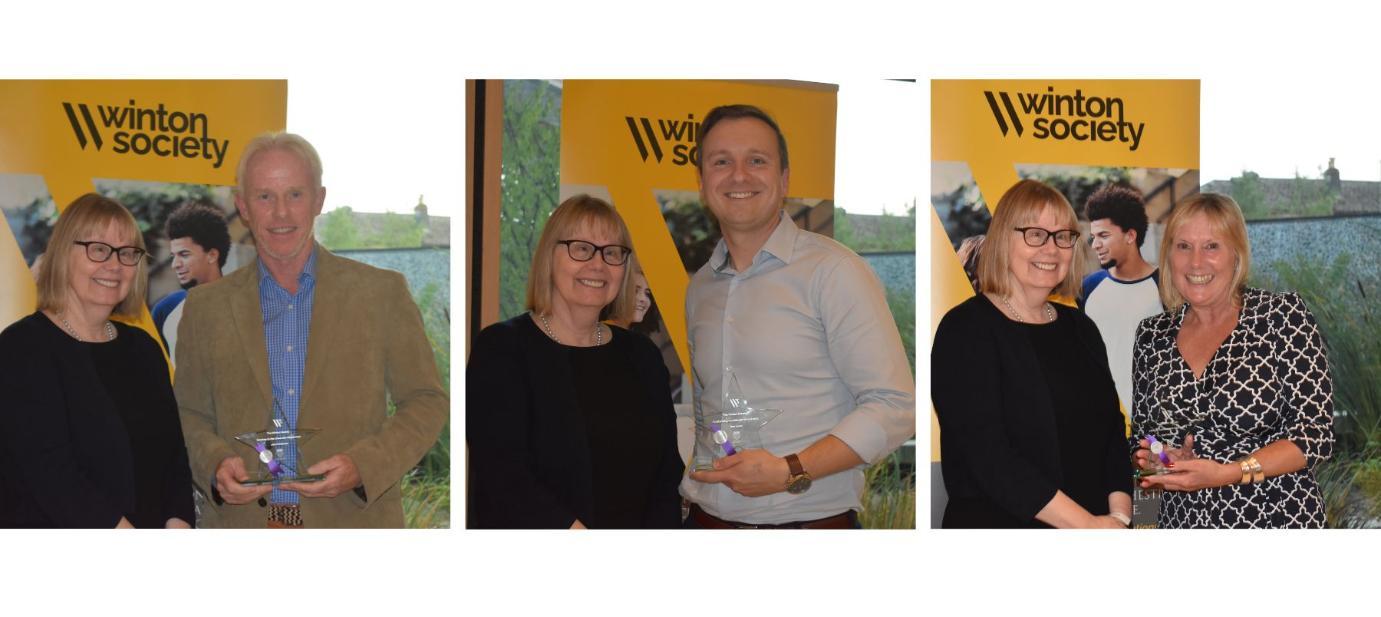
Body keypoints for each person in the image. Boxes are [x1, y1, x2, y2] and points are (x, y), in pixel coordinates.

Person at [174, 132, 447, 528]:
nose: (281, 213)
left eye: (295, 195)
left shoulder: (381, 293)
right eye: (265, 197)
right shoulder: (204, 308)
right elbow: (188, 413)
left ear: (319, 200)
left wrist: (363, 466)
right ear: (243, 207)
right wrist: (213, 463)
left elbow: (426, 401)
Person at [681, 104, 915, 529]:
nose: (739, 175)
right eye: (721, 162)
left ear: (784, 178)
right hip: (705, 521)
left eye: (757, 160)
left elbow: (895, 407)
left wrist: (790, 469)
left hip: (809, 525)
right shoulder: (700, 289)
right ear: (702, 181)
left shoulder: (835, 272)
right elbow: (709, 409)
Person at [466, 194, 684, 528]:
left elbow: (667, 474)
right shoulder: (502, 350)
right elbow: (504, 476)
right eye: (581, 248)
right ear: (549, 258)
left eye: (612, 252)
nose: (597, 264)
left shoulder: (643, 357)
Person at [931, 179, 1132, 528]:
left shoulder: (1081, 328)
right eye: (1035, 234)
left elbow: (1112, 433)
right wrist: (1087, 526)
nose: (1051, 249)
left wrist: (1118, 517)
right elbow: (989, 457)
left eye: (1063, 236)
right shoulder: (965, 330)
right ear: (1002, 240)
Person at [1132, 193, 1333, 528]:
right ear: (1168, 255)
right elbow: (1144, 441)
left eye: (1212, 246)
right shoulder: (1151, 335)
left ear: (1236, 254)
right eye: (1183, 246)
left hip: (1275, 519)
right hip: (1180, 524)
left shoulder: (1281, 317)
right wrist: (1161, 466)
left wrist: (1229, 473)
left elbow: (1315, 435)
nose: (1196, 263)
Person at [0, 193, 194, 528]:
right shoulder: (21, 348)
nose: (115, 264)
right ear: (62, 254)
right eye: (98, 249)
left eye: (127, 252)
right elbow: (50, 474)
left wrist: (179, 522)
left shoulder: (144, 349)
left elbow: (174, 456)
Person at [1078, 184, 1162, 414]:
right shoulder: (1088, 288)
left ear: (1130, 235)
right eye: (1093, 237)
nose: (1095, 245)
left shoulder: (1166, 287)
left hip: (1152, 425)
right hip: (1099, 418)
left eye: (1103, 236)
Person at [151, 201, 230, 366]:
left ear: (212, 255)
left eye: (184, 254)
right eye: (173, 256)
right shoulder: (166, 309)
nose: (175, 264)